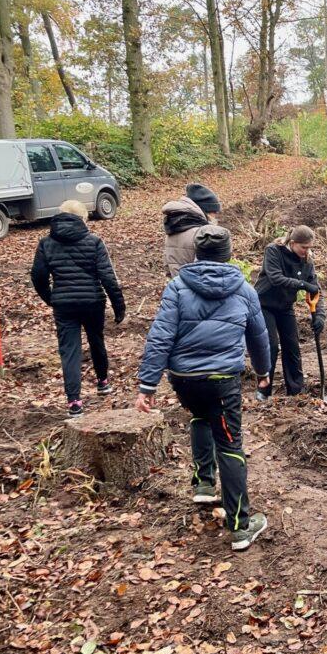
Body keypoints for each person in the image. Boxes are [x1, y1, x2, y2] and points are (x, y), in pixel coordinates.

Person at [136, 226, 271, 551]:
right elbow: (259, 336)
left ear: (196, 254)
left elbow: (160, 336)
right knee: (230, 443)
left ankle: (204, 482)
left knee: (200, 416)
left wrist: (148, 384)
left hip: (183, 379)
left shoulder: (177, 286)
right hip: (222, 381)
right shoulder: (243, 289)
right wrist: (264, 371)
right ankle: (240, 526)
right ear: (228, 255)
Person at [31, 200, 126, 417]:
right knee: (96, 340)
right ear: (83, 219)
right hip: (93, 301)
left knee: (69, 350)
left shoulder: (46, 243)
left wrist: (52, 298)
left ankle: (74, 401)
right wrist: (119, 306)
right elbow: (108, 277)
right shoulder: (94, 242)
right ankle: (103, 382)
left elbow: (38, 277)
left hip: (64, 305)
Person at [253, 226, 325, 399]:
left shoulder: (307, 261)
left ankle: (295, 390)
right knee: (271, 346)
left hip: (285, 307)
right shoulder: (273, 251)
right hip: (264, 305)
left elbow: (316, 290)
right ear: (292, 243)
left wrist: (320, 316)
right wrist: (302, 285)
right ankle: (263, 391)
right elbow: (275, 277)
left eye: (309, 247)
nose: (307, 251)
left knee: (292, 347)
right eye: (304, 247)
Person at [163, 184, 221, 277]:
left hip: (177, 285)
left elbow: (167, 265)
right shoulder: (201, 234)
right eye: (214, 212)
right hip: (196, 288)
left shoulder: (173, 227)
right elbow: (207, 274)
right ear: (206, 211)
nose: (216, 216)